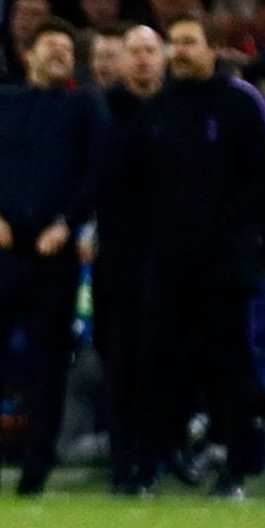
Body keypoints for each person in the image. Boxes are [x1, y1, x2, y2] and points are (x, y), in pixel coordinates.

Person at [0, 17, 111, 496]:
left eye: (67, 47)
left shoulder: (85, 105)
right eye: (51, 46)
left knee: (47, 364)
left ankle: (35, 472)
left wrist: (68, 222)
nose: (60, 53)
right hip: (1, 249)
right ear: (28, 53)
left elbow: (99, 169)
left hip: (53, 253)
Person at [125, 14, 265, 498]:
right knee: (154, 361)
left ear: (213, 48)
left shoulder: (241, 103)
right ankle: (148, 466)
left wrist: (223, 230)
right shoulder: (158, 109)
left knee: (229, 365)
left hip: (225, 262)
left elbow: (261, 176)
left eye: (190, 42)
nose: (180, 51)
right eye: (175, 43)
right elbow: (139, 183)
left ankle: (234, 470)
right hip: (167, 262)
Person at [94, 24, 165, 493]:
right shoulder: (101, 110)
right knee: (119, 358)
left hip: (170, 256)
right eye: (132, 52)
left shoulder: (180, 108)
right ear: (119, 61)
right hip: (118, 255)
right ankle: (124, 463)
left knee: (161, 360)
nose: (141, 59)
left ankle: (159, 457)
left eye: (149, 51)